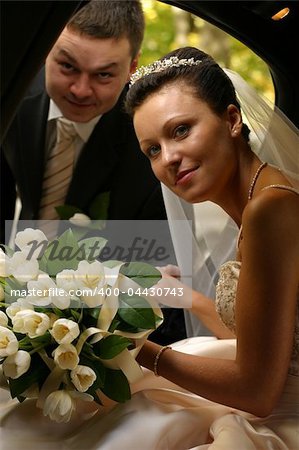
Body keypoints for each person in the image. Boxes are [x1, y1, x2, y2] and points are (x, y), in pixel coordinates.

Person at [0, 46, 298, 449]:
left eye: (181, 130)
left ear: (231, 119)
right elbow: (264, 336)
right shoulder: (255, 200)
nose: (169, 159)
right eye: (152, 150)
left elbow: (257, 392)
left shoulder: (271, 209)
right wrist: (187, 297)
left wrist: (130, 346)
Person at [0, 0, 187, 345]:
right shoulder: (13, 97)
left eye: (103, 75)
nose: (81, 90)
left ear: (132, 67)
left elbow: (158, 269)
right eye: (68, 67)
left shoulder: (150, 145)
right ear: (45, 53)